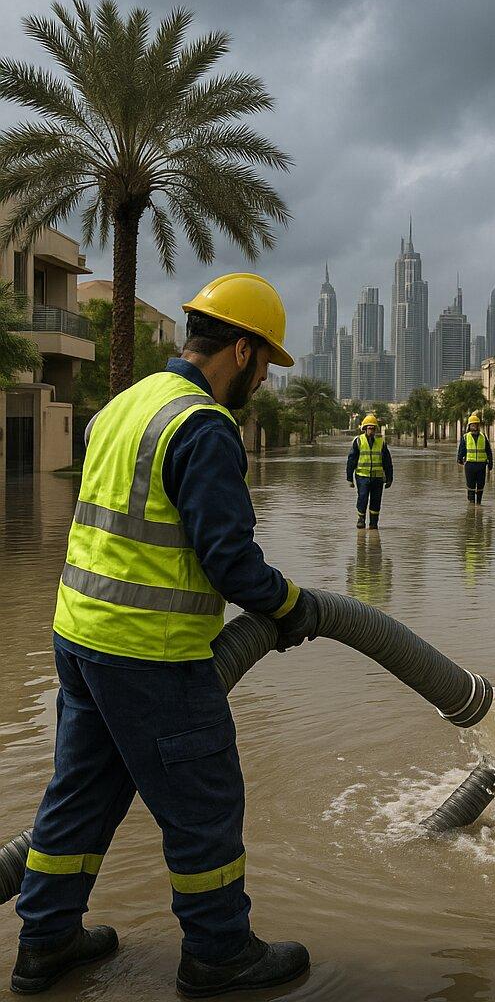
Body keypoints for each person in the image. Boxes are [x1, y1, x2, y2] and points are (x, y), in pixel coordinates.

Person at [13, 273, 318, 997]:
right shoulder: (202, 426)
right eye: (267, 364)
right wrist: (294, 604)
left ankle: (45, 942)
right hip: (148, 653)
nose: (265, 381)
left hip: (79, 636)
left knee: (80, 793)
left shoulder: (125, 405)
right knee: (204, 801)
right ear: (241, 351)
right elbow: (231, 561)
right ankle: (220, 954)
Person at [346, 415, 393, 529]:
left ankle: (373, 524)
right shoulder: (358, 441)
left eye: (373, 428)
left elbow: (387, 462)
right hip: (362, 477)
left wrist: (389, 478)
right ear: (365, 429)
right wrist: (349, 478)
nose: (371, 430)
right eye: (369, 428)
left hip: (377, 478)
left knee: (376, 501)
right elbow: (351, 460)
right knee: (362, 497)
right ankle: (361, 519)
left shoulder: (381, 443)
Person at [456, 413, 493, 504]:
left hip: (481, 465)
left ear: (478, 426)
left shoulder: (483, 436)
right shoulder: (466, 437)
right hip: (470, 465)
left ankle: (479, 503)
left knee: (481, 485)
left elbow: (488, 450)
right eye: (472, 425)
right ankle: (472, 504)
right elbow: (462, 449)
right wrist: (459, 458)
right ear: (469, 426)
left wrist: (490, 462)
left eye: (476, 425)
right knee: (471, 485)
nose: (474, 427)